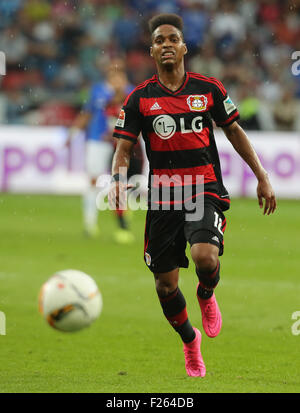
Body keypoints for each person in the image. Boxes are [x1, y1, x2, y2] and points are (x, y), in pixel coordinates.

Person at [108, 14, 277, 377]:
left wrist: (262, 176)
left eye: (172, 39)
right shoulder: (139, 98)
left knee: (204, 257)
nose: (166, 44)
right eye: (159, 40)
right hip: (164, 197)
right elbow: (123, 148)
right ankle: (189, 340)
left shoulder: (208, 89)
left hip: (205, 189)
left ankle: (206, 292)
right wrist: (118, 180)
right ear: (152, 51)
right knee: (165, 284)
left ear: (183, 47)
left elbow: (235, 132)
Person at [66, 59, 135, 242]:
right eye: (112, 68)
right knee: (93, 181)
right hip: (97, 141)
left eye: (119, 68)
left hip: (121, 144)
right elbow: (87, 113)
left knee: (121, 183)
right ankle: (90, 223)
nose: (115, 71)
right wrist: (73, 133)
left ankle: (122, 223)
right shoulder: (97, 90)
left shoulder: (132, 91)